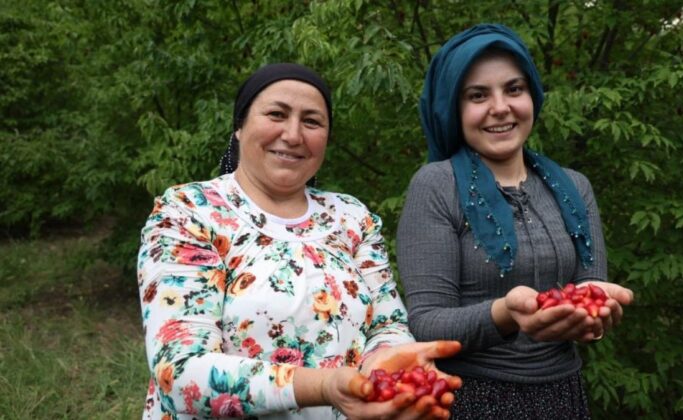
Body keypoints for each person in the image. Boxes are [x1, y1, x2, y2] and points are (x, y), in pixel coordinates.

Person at [137, 63, 462, 420]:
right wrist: (323, 386)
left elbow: (388, 325)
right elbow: (179, 371)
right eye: (276, 114)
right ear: (239, 126)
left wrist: (388, 370)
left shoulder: (352, 218)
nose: (293, 135)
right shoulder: (189, 212)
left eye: (312, 121)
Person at [396, 24, 634, 419]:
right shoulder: (436, 186)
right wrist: (506, 313)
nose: (500, 107)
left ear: (532, 96)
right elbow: (426, 323)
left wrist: (592, 315)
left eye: (513, 89)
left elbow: (589, 289)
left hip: (562, 396)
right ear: (453, 109)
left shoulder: (574, 187)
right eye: (477, 95)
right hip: (470, 399)